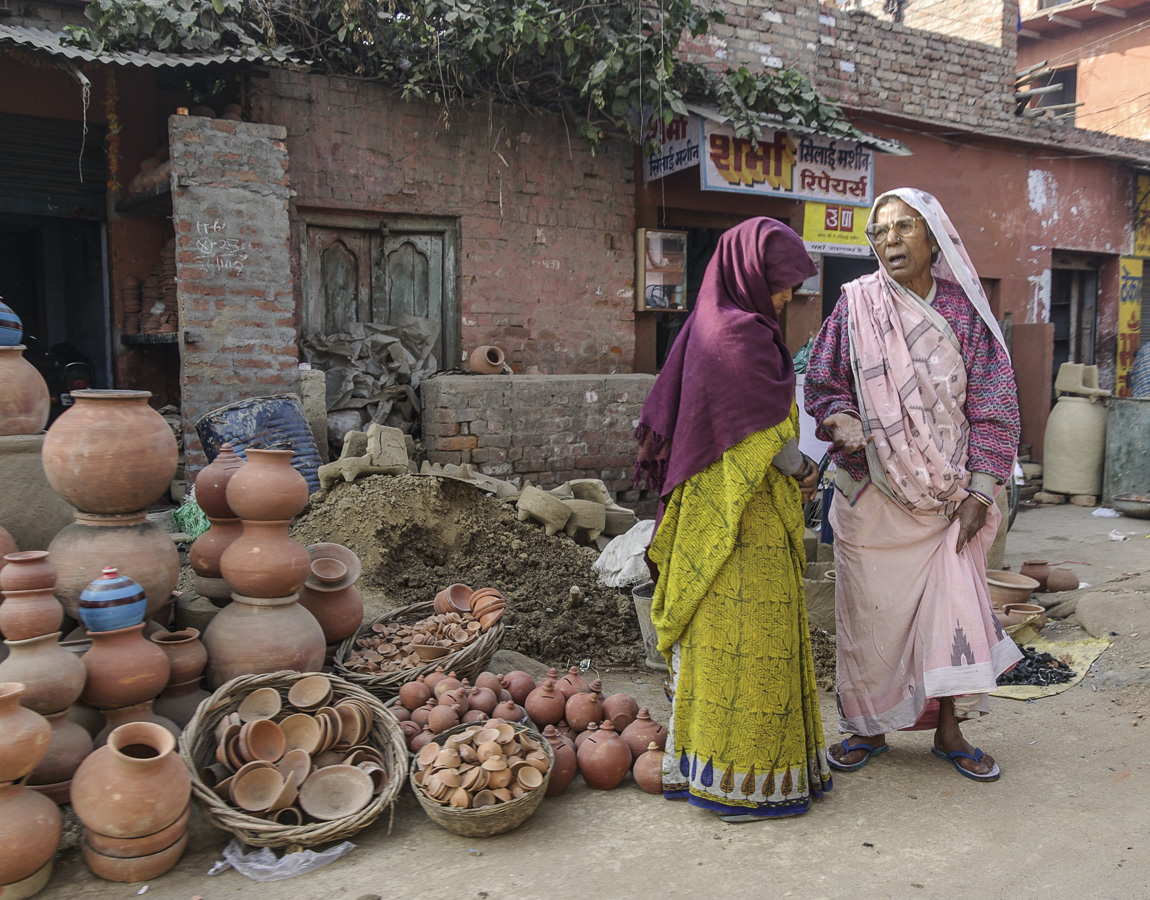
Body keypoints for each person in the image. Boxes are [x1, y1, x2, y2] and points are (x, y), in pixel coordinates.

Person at [804, 188, 1022, 783]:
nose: (890, 240)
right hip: (873, 492)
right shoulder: (854, 308)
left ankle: (950, 729)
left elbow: (996, 406)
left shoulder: (964, 316)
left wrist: (980, 492)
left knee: (950, 615)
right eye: (879, 232)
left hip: (948, 497)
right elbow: (820, 382)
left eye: (904, 228)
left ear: (934, 238)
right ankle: (868, 727)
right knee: (870, 616)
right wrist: (839, 415)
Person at [634, 217, 833, 822]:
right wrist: (803, 468)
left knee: (719, 643)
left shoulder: (706, 322)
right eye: (783, 286)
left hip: (714, 513)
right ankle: (746, 781)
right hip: (740, 518)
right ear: (752, 274)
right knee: (753, 641)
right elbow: (763, 430)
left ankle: (706, 766)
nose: (786, 300)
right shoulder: (739, 334)